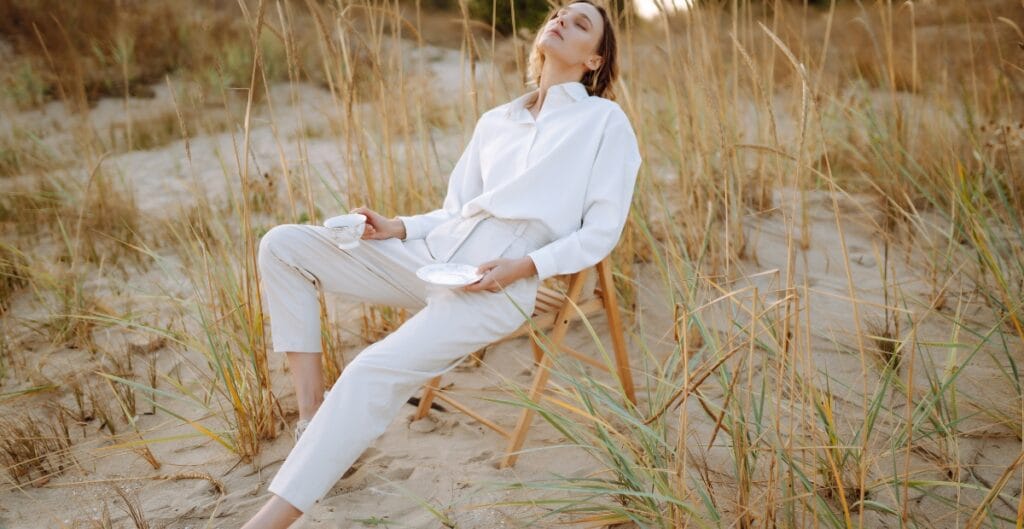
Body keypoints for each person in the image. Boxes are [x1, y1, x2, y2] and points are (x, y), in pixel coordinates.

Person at [241, 0, 642, 526]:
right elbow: (455, 210)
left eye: (581, 22)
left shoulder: (604, 123)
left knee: (367, 371)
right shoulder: (498, 120)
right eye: (559, 14)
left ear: (594, 61)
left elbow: (601, 234)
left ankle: (267, 521)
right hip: (432, 256)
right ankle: (314, 419)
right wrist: (397, 227)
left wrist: (523, 266)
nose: (562, 20)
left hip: (498, 282)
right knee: (283, 245)